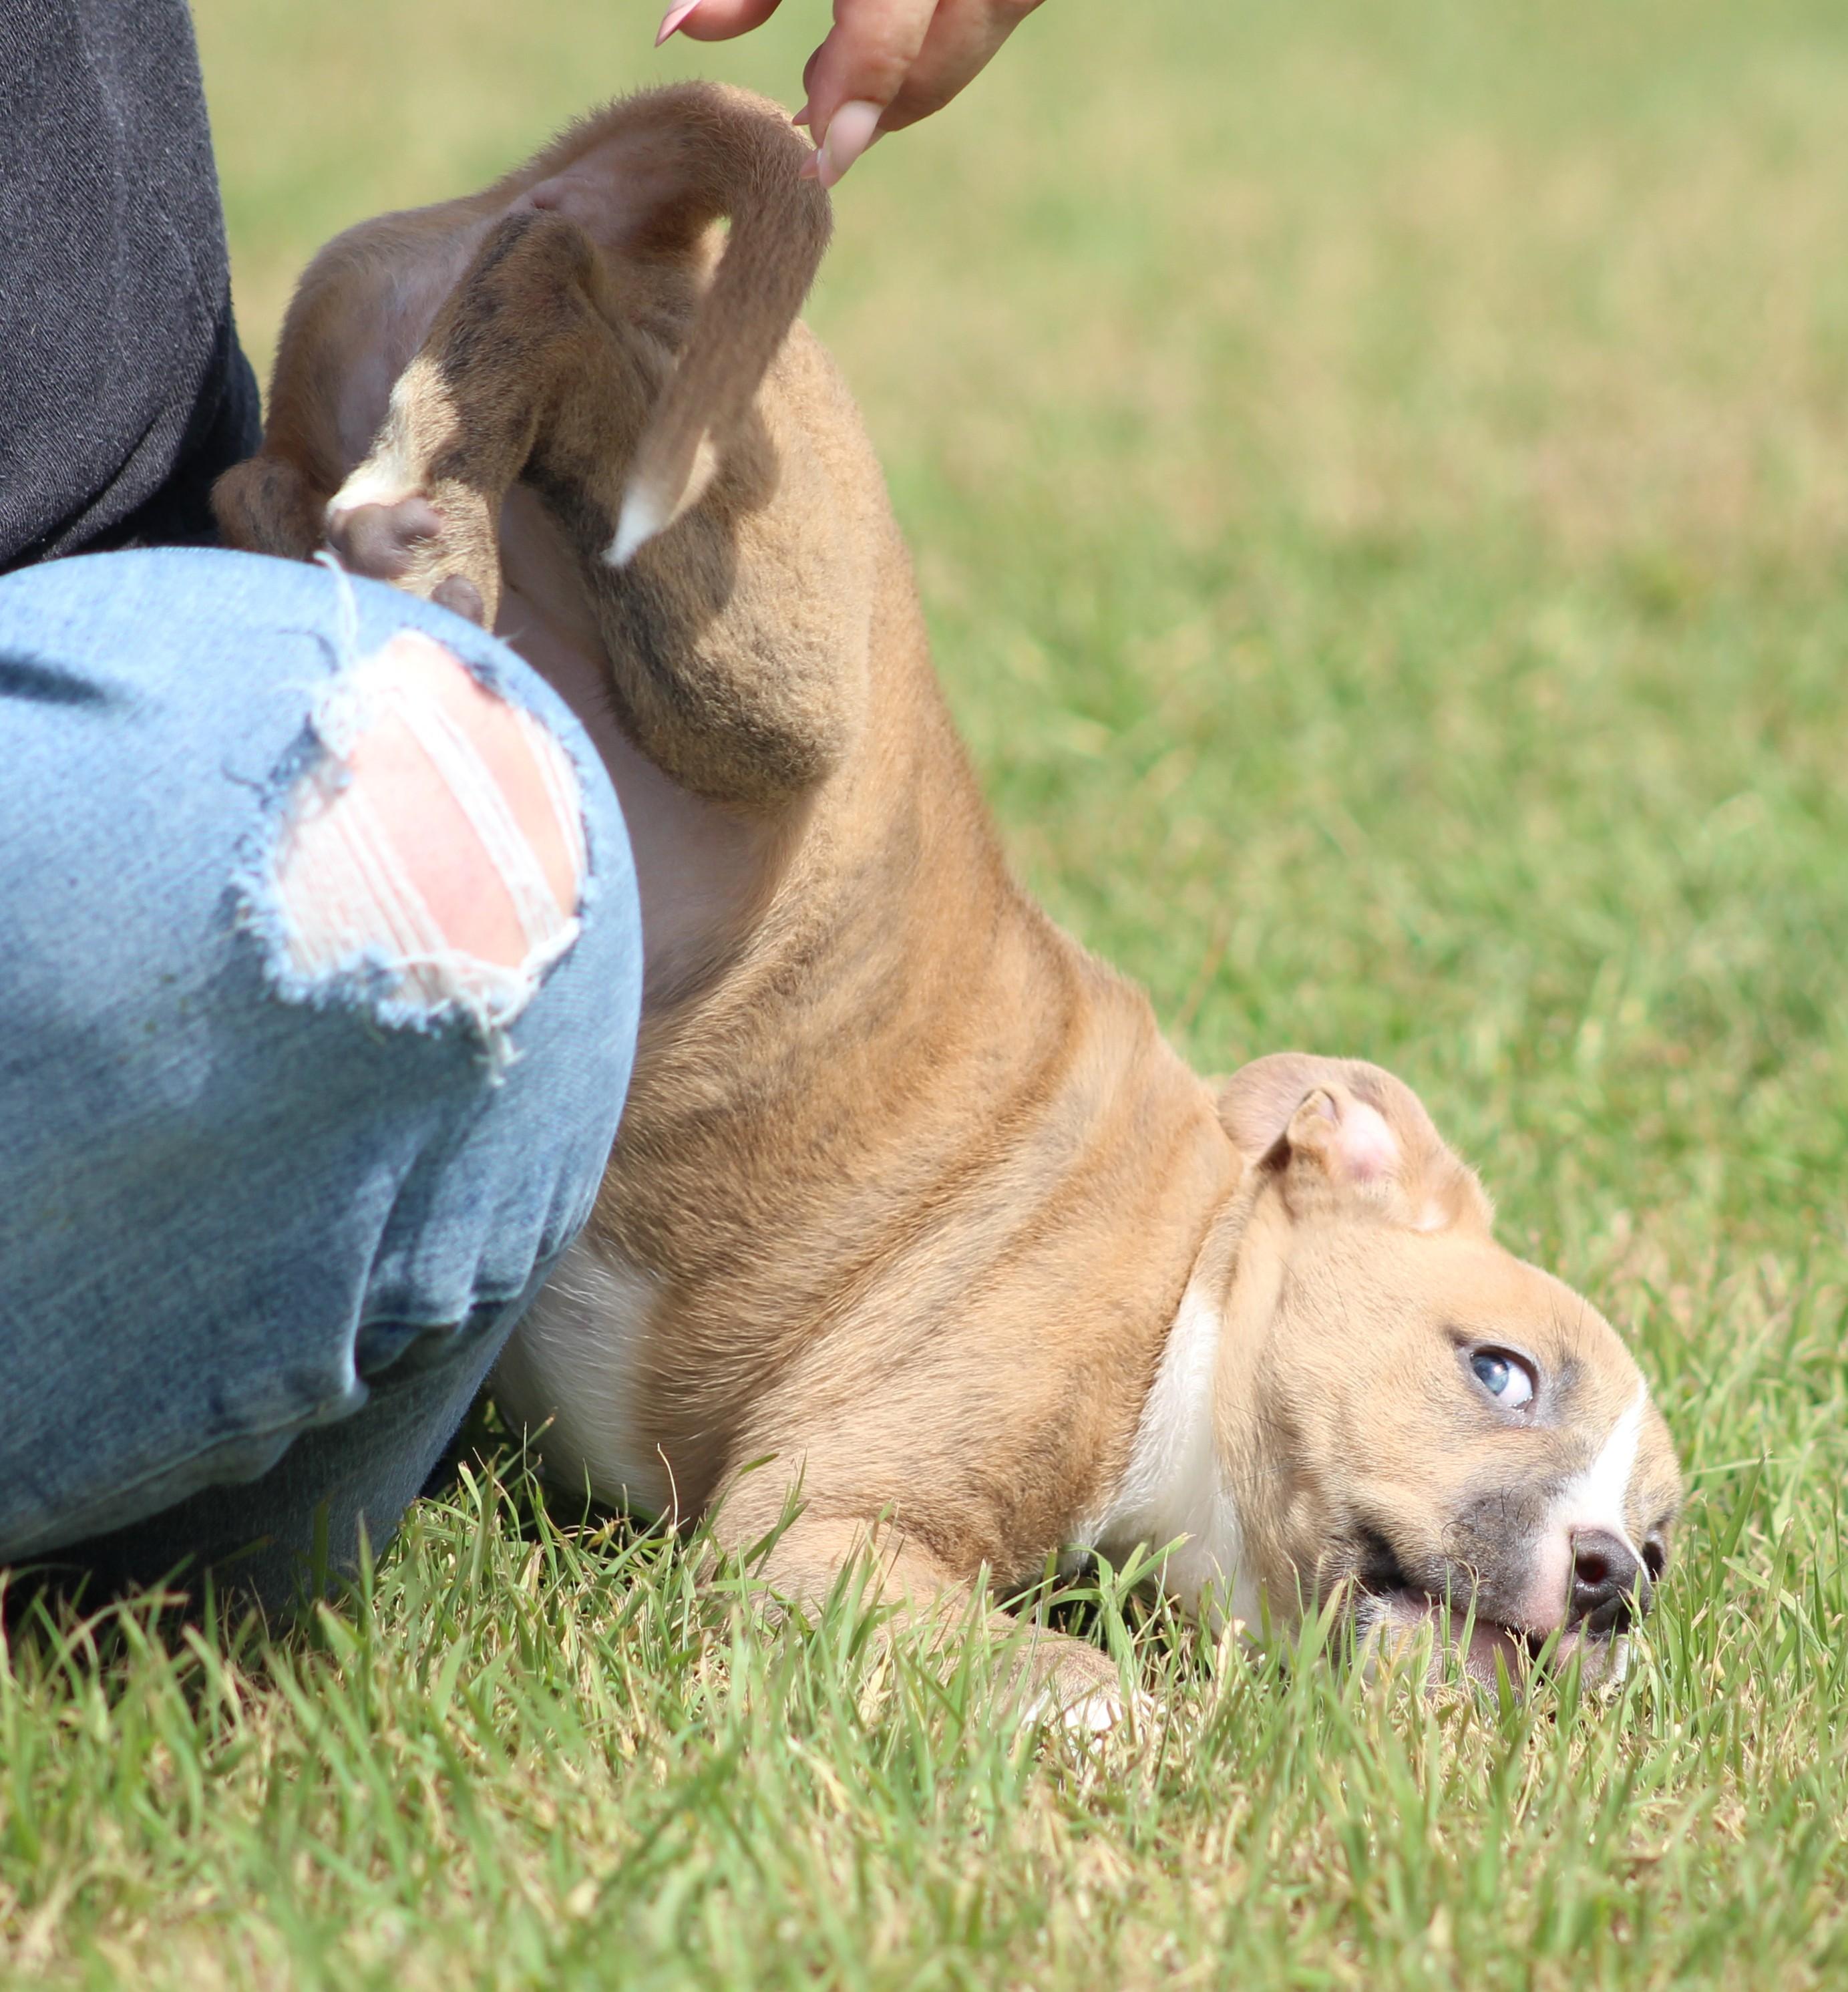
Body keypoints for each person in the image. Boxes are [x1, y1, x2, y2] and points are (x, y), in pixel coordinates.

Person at [0, 0, 1033, 1607]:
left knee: (511, 928)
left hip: (206, 561)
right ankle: (484, 388)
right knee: (482, 840)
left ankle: (352, 517)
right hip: (202, 665)